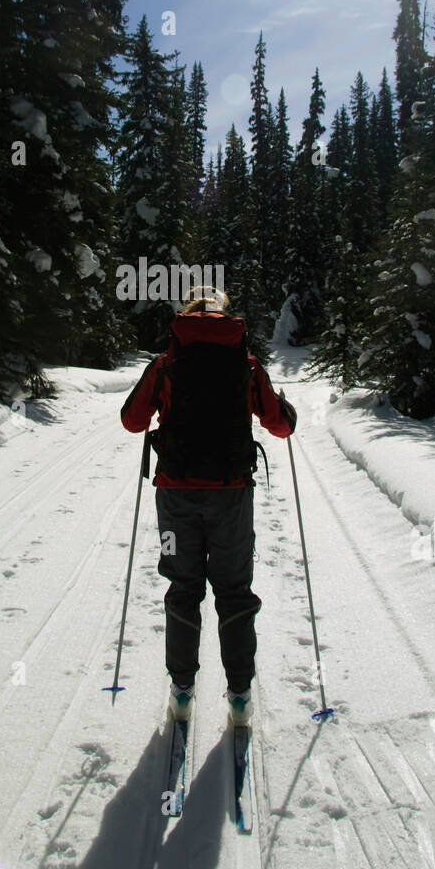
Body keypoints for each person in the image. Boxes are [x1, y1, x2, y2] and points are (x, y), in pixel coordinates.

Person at [120, 289, 297, 726]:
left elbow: (132, 421)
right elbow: (280, 426)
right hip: (231, 494)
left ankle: (182, 690)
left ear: (186, 320)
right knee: (234, 590)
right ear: (226, 319)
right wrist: (286, 408)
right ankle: (239, 695)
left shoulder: (165, 364)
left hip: (175, 495)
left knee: (183, 588)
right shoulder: (247, 365)